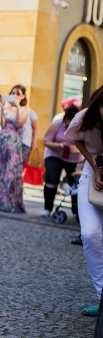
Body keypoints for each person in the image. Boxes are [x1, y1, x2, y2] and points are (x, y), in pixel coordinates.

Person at [64, 87, 103, 316]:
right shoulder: (84, 116)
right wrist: (95, 165)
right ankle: (102, 296)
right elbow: (77, 140)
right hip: (92, 171)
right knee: (90, 234)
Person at [0, 86, 34, 213]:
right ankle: (3, 203)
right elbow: (3, 125)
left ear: (23, 96)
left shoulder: (26, 109)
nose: (14, 95)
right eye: (12, 93)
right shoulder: (7, 109)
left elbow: (19, 123)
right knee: (1, 172)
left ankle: (14, 203)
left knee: (12, 174)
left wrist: (18, 107)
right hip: (2, 142)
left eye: (17, 93)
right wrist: (3, 109)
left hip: (14, 144)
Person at [42, 105, 82, 217]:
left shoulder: (82, 128)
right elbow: (46, 141)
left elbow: (88, 146)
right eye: (67, 125)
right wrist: (58, 145)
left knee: (75, 182)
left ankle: (76, 211)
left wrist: (78, 150)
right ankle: (47, 208)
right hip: (55, 155)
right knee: (52, 178)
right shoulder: (56, 124)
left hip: (74, 158)